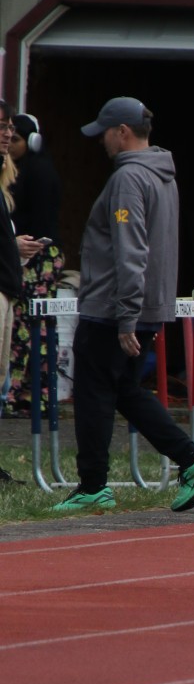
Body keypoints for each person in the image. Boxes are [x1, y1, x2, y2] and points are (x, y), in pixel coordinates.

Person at [52, 97, 194, 513]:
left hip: (114, 308)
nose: (102, 142)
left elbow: (131, 248)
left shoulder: (128, 178)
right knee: (125, 390)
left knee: (93, 390)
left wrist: (126, 314)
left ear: (122, 132)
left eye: (105, 133)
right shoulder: (164, 175)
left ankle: (93, 484)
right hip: (147, 305)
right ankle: (191, 459)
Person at [4, 112, 64, 416]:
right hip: (33, 254)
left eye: (16, 139)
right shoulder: (19, 171)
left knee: (25, 326)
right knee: (34, 327)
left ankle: (15, 392)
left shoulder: (37, 172)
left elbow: (37, 220)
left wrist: (23, 251)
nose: (10, 144)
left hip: (37, 256)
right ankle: (33, 394)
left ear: (32, 141)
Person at [0, 101, 46, 481]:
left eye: (11, 128)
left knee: (0, 380)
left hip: (5, 288)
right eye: (1, 126)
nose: (7, 134)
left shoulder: (4, 181)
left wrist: (13, 248)